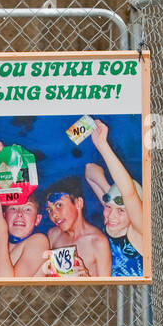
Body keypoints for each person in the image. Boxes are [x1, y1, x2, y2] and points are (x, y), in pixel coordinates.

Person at [84, 119, 148, 277]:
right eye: (107, 208)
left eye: (120, 211)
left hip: (137, 297)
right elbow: (89, 171)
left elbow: (129, 193)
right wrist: (110, 195)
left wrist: (102, 145)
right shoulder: (113, 220)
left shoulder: (139, 231)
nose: (111, 216)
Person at [41, 175, 111, 278]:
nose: (53, 215)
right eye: (49, 210)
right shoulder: (53, 235)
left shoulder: (97, 242)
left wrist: (86, 278)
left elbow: (105, 288)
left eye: (59, 205)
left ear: (79, 203)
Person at [0, 191, 49, 278]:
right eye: (13, 208)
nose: (19, 214)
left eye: (27, 209)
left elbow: (7, 287)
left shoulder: (39, 241)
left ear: (37, 219)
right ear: (3, 216)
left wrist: (1, 236)